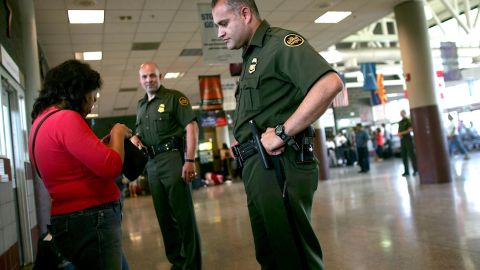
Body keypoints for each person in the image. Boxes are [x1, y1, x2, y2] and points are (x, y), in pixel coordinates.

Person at [211, 1, 344, 269]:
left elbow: (330, 83)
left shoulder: (280, 43)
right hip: (258, 167)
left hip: (280, 164)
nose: (219, 33)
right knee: (271, 255)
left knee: (293, 256)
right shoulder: (252, 56)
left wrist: (283, 132)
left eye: (223, 24)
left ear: (245, 14)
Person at [29, 59, 131, 269]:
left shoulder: (40, 122)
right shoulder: (66, 118)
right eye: (93, 94)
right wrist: (118, 133)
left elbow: (67, 166)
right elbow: (111, 166)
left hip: (68, 220)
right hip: (93, 219)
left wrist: (103, 145)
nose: (93, 101)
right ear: (79, 90)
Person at [130, 61, 202, 270]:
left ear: (160, 77)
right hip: (152, 165)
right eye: (144, 77)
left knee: (183, 216)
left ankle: (192, 265)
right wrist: (135, 138)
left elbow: (191, 127)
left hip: (173, 160)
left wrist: (189, 160)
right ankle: (177, 262)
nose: (149, 80)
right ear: (140, 80)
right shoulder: (141, 106)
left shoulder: (174, 98)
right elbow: (140, 132)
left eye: (152, 76)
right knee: (164, 219)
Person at [397, 110, 418, 176]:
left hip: (408, 139)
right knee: (404, 156)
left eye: (403, 113)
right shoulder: (400, 122)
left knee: (412, 155)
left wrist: (402, 133)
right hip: (402, 140)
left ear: (405, 113)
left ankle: (415, 170)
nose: (402, 114)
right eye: (401, 113)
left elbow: (410, 129)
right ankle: (406, 171)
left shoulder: (408, 120)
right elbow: (399, 131)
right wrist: (399, 134)